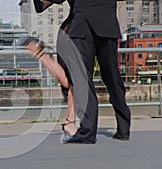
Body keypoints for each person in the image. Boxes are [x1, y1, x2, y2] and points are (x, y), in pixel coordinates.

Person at [63, 0, 131, 144]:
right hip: (87, 25)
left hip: (95, 25)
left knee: (109, 77)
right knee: (89, 78)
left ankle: (118, 128)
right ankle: (90, 131)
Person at [25, 0, 77, 138]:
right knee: (74, 81)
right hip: (75, 31)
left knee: (72, 80)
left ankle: (40, 54)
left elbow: (40, 6)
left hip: (69, 31)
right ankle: (69, 122)